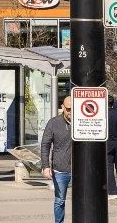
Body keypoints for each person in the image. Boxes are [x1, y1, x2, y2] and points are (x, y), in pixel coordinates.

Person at [41, 95, 74, 223]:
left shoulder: (83, 123)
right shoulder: (54, 123)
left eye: (73, 109)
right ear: (62, 107)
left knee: (84, 200)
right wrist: (45, 166)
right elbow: (45, 144)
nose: (71, 112)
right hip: (60, 170)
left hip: (80, 170)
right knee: (60, 201)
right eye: (68, 109)